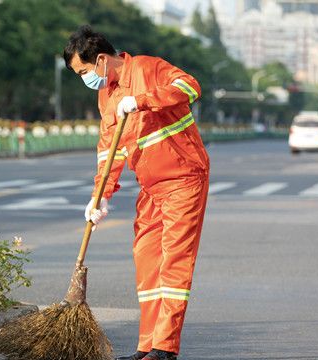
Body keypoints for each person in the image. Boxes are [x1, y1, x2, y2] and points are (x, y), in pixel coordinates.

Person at [63, 25, 210, 360]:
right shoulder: (107, 95)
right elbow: (109, 150)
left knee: (174, 262)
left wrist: (143, 100)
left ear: (101, 60)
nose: (85, 79)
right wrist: (100, 196)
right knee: (146, 261)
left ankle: (165, 347)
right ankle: (147, 347)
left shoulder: (147, 68)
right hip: (151, 187)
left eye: (84, 72)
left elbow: (190, 87)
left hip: (184, 177)